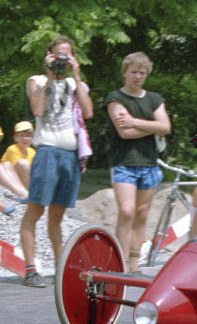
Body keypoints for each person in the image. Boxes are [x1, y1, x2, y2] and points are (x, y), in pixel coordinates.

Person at [20, 36, 93, 288]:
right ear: (48, 56)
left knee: (58, 214)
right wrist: (51, 76)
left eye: (67, 55)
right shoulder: (37, 81)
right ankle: (30, 269)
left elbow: (88, 111)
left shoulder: (75, 83)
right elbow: (38, 110)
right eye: (58, 55)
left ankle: (60, 268)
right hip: (48, 150)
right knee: (36, 209)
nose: (62, 60)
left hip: (69, 154)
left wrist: (77, 74)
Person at [104, 51, 171, 273]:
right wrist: (150, 126)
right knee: (127, 211)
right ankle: (120, 260)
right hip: (124, 162)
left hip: (149, 163)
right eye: (134, 72)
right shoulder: (115, 98)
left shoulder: (154, 98)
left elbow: (165, 127)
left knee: (142, 214)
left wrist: (134, 122)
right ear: (125, 73)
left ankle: (134, 263)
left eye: (142, 73)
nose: (138, 76)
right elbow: (123, 132)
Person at [0, 121, 36, 188]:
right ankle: (28, 193)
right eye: (22, 135)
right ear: (15, 138)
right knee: (23, 164)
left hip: (24, 180)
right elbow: (18, 170)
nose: (25, 139)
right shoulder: (12, 149)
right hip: (10, 180)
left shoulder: (32, 151)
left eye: (28, 136)